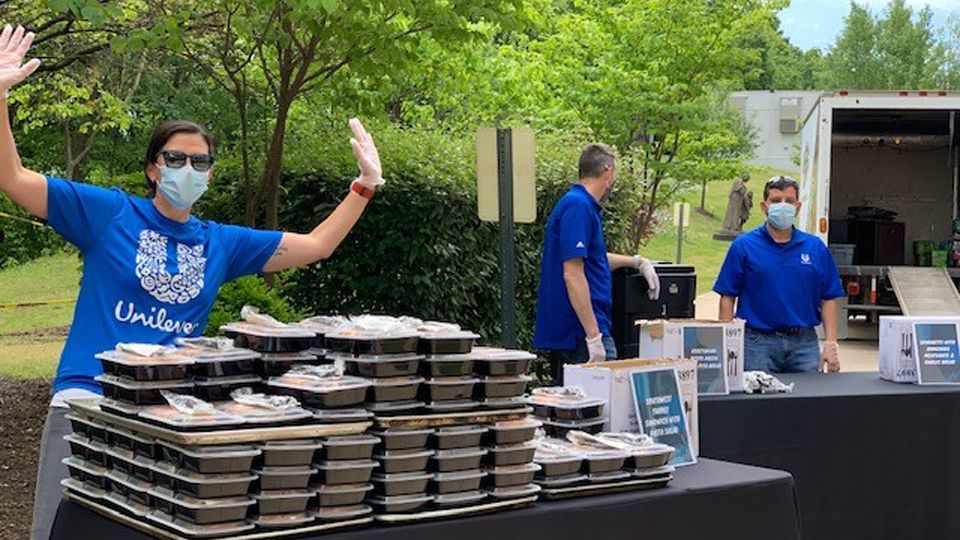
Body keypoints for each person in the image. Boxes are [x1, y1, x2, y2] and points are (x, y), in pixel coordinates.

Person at [0, 26, 383, 540]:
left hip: (172, 415)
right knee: (60, 531)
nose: (187, 168)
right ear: (153, 169)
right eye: (175, 159)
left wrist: (364, 186)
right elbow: (14, 179)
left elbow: (317, 245)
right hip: (88, 403)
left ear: (209, 174)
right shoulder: (109, 213)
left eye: (199, 161)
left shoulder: (220, 242)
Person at [533, 143, 660, 385]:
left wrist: (636, 262)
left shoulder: (580, 206)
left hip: (582, 332)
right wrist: (594, 337)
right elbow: (572, 274)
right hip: (581, 334)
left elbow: (595, 259)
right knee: (596, 413)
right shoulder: (578, 207)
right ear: (608, 172)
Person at [713, 175, 844, 374]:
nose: (783, 206)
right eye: (776, 201)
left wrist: (831, 344)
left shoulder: (815, 248)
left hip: (804, 345)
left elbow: (828, 298)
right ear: (764, 207)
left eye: (789, 201)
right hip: (757, 344)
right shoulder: (744, 246)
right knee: (758, 403)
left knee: (807, 402)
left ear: (798, 207)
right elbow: (727, 297)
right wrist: (727, 343)